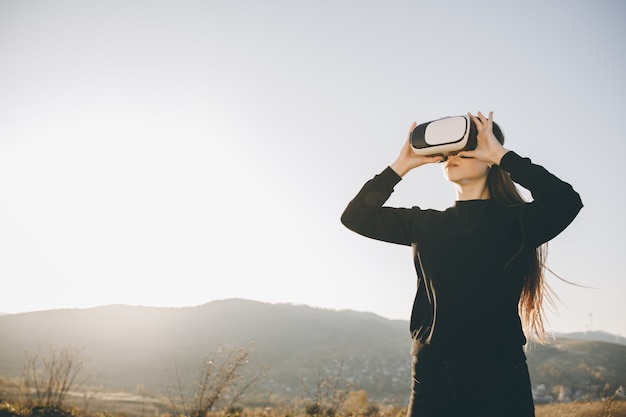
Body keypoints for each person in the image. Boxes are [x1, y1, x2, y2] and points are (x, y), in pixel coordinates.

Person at [340, 112, 583, 417]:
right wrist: (401, 165)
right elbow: (357, 217)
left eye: (466, 149)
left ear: (489, 159)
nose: (453, 157)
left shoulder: (518, 222)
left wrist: (501, 155)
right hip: (432, 379)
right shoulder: (425, 224)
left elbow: (566, 201)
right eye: (449, 153)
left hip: (500, 380)